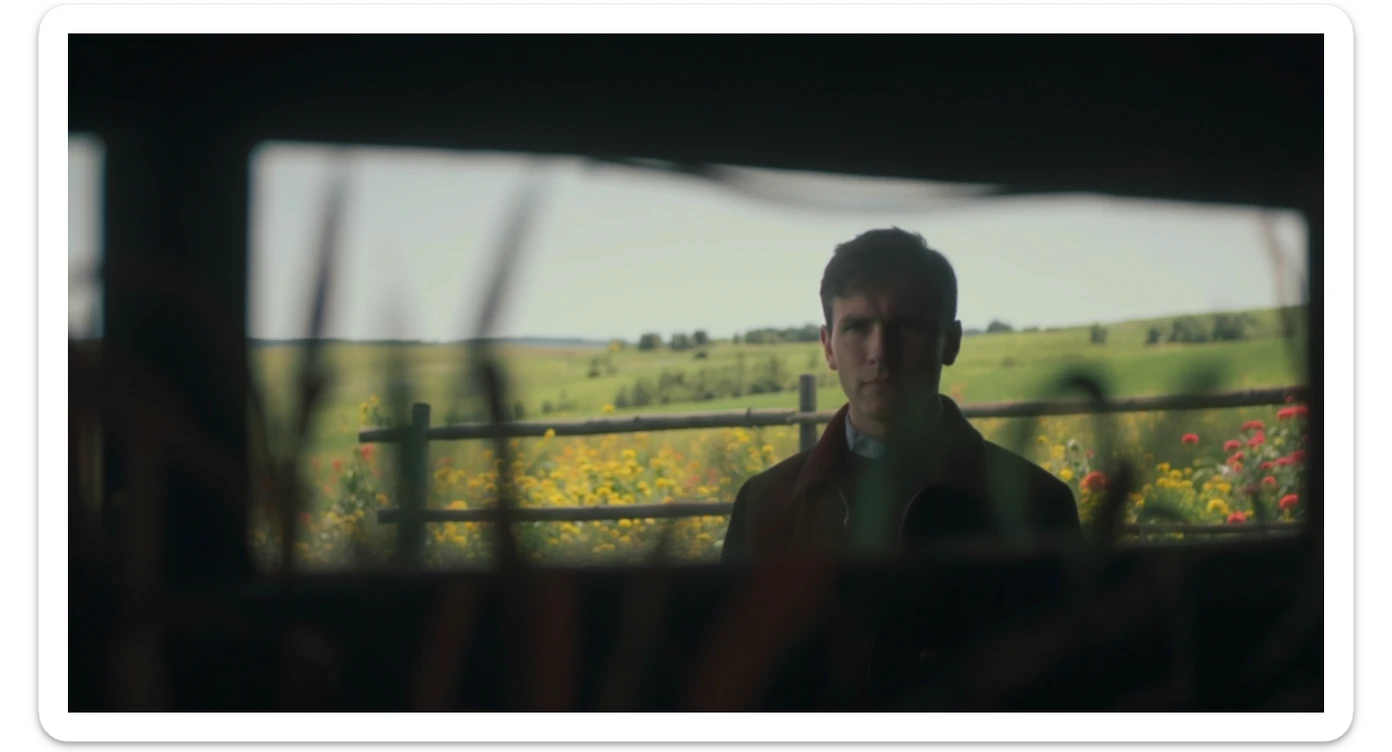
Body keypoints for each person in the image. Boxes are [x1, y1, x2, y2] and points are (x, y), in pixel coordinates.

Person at [720, 228, 1082, 563]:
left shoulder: (1038, 506)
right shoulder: (763, 505)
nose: (880, 350)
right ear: (828, 347)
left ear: (950, 343)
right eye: (857, 326)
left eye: (908, 326)